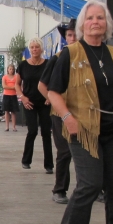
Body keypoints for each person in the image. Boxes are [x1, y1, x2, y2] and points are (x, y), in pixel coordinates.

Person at [47, 1, 113, 224]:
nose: (95, 22)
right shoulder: (70, 54)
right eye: (90, 18)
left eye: (100, 17)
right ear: (82, 24)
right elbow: (53, 92)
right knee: (90, 184)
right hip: (84, 130)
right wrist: (67, 118)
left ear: (107, 24)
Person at [38, 19, 77, 204]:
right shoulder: (58, 58)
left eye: (76, 35)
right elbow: (42, 85)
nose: (73, 38)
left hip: (85, 113)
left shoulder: (90, 59)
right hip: (60, 113)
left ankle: (95, 188)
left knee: (91, 150)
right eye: (70, 35)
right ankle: (60, 189)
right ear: (65, 38)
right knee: (65, 151)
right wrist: (53, 100)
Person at [17, 37, 53, 173]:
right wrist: (22, 97)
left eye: (37, 47)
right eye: (32, 47)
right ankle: (26, 161)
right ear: (29, 49)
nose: (34, 49)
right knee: (32, 130)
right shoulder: (23, 65)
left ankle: (49, 165)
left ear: (41, 49)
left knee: (46, 132)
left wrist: (50, 97)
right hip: (29, 102)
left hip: (45, 102)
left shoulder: (48, 64)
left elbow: (53, 82)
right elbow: (17, 84)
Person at [1, 65, 18, 132]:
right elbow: (4, 86)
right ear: (8, 70)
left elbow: (17, 86)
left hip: (13, 95)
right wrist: (13, 87)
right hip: (6, 95)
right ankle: (7, 126)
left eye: (12, 69)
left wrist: (11, 87)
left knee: (13, 111)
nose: (11, 70)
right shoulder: (4, 77)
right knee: (6, 111)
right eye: (10, 69)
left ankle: (14, 127)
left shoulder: (16, 77)